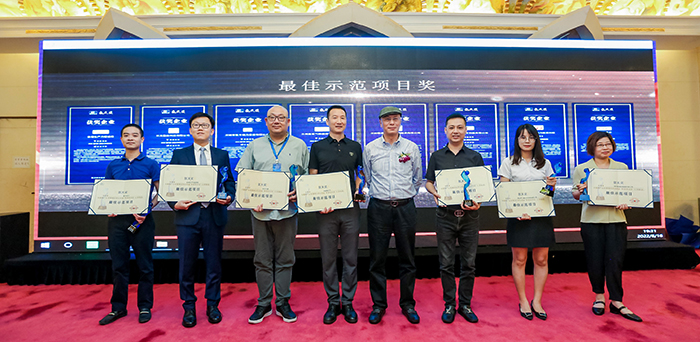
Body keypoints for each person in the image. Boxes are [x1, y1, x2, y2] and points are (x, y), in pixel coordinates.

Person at [236, 105, 309, 324]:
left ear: (288, 122)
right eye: (272, 118)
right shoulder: (255, 145)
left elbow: (306, 176)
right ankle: (264, 303)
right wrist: (250, 198)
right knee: (262, 259)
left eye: (281, 118)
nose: (276, 121)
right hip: (261, 213)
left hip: (288, 211)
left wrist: (300, 191)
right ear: (266, 121)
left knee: (286, 259)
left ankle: (283, 302)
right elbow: (243, 174)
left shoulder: (299, 145)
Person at [168, 112, 235, 328]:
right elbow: (170, 185)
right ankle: (188, 306)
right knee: (186, 264)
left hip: (213, 215)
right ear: (190, 130)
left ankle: (212, 304)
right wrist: (173, 204)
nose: (200, 128)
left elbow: (229, 182)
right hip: (188, 216)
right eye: (196, 125)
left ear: (212, 130)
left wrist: (230, 196)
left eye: (205, 125)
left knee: (213, 263)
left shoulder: (221, 154)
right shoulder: (179, 154)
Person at [572, 131, 642, 322]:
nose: (605, 147)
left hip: (617, 220)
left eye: (608, 144)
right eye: (600, 144)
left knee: (616, 260)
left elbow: (628, 192)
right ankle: (599, 297)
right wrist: (580, 190)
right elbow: (575, 195)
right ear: (592, 147)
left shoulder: (622, 167)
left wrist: (627, 202)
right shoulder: (582, 168)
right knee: (594, 260)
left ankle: (617, 301)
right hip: (591, 221)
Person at [364, 106, 423, 324]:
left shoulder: (411, 147)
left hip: (405, 207)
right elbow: (368, 178)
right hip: (378, 208)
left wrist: (403, 194)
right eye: (387, 119)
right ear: (380, 123)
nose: (391, 123)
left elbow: (418, 177)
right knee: (377, 259)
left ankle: (407, 304)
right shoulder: (370, 149)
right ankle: (379, 305)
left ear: (400, 121)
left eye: (395, 119)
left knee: (407, 258)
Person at [99, 124, 160, 325]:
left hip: (142, 221)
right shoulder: (113, 165)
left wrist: (147, 210)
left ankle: (144, 306)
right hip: (117, 222)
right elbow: (107, 192)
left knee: (145, 266)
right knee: (119, 266)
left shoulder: (151, 164)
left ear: (142, 139)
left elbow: (160, 193)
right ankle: (118, 308)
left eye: (135, 135)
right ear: (121, 139)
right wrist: (109, 207)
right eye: (126, 135)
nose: (130, 138)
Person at [424, 113, 483, 324]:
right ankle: (449, 303)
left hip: (470, 216)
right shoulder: (437, 156)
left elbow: (480, 187)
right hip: (445, 216)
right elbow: (428, 182)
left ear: (466, 130)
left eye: (460, 127)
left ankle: (465, 304)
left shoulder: (475, 157)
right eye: (451, 127)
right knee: (446, 263)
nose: (456, 131)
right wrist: (434, 192)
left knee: (469, 263)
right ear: (446, 131)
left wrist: (479, 201)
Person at [308, 105, 363, 324]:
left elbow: (359, 174)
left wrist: (360, 189)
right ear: (327, 121)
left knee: (351, 258)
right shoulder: (318, 147)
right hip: (326, 212)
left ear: (346, 121)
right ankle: (333, 301)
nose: (338, 121)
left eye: (342, 117)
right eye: (334, 117)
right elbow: (313, 177)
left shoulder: (355, 146)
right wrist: (318, 202)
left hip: (350, 210)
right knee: (328, 259)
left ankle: (348, 302)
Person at [497, 123, 556, 321]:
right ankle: (523, 300)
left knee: (541, 260)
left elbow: (548, 194)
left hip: (541, 217)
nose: (527, 141)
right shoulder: (508, 162)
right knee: (520, 260)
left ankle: (537, 300)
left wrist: (551, 187)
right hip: (518, 218)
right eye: (523, 137)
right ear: (517, 140)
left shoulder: (545, 163)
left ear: (536, 140)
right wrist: (516, 212)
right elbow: (505, 194)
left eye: (531, 137)